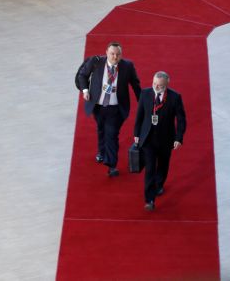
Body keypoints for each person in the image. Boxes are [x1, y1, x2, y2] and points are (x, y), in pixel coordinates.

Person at [77, 42, 141, 176]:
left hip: (116, 108)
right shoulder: (96, 62)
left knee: (111, 134)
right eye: (112, 53)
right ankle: (101, 152)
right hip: (98, 106)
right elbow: (82, 75)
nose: (115, 57)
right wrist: (85, 90)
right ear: (106, 52)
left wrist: (142, 101)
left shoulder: (127, 66)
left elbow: (135, 84)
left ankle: (112, 165)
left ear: (121, 55)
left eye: (118, 54)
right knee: (101, 129)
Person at [133, 71, 186, 211]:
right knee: (150, 168)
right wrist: (136, 134)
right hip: (148, 139)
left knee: (163, 165)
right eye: (154, 83)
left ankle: (159, 184)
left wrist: (178, 138)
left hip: (166, 139)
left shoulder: (175, 97)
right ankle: (149, 200)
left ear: (167, 84)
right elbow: (139, 115)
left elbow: (181, 120)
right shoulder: (145, 94)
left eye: (160, 85)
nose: (156, 87)